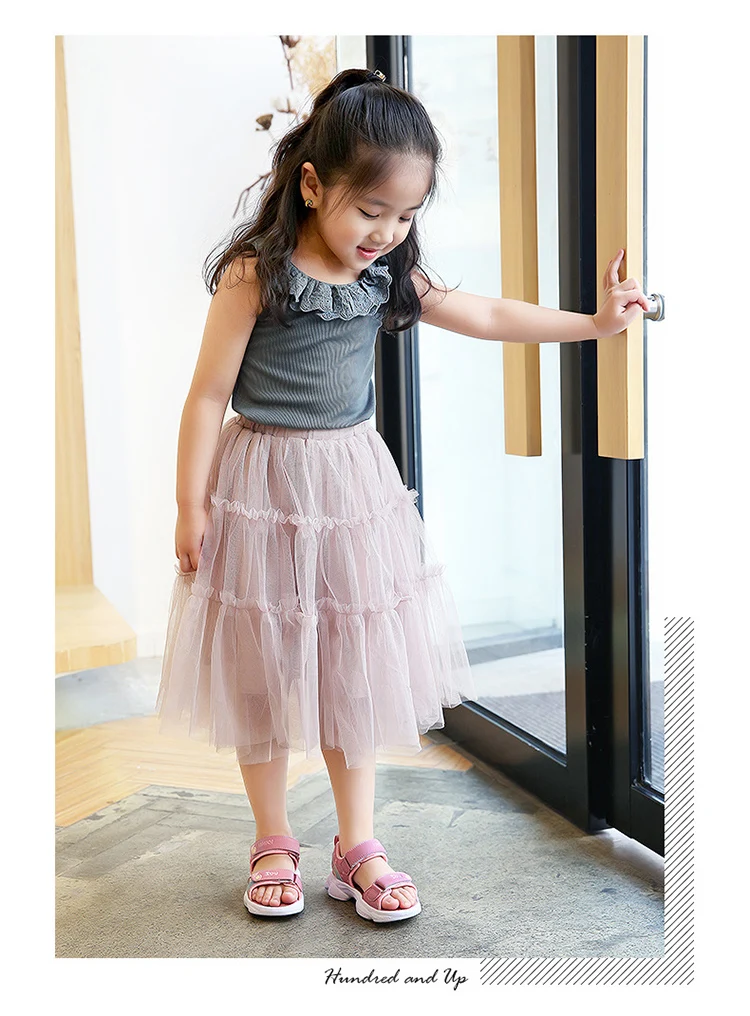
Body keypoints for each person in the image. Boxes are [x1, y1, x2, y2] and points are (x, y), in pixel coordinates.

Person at [156, 67, 649, 925]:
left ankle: (357, 845)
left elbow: (487, 315)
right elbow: (206, 397)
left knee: (352, 665)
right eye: (371, 210)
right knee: (259, 668)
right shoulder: (255, 274)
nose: (385, 233)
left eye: (406, 215)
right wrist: (189, 505)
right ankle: (273, 837)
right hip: (259, 487)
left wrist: (596, 325)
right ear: (314, 186)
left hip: (351, 487)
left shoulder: (387, 277)